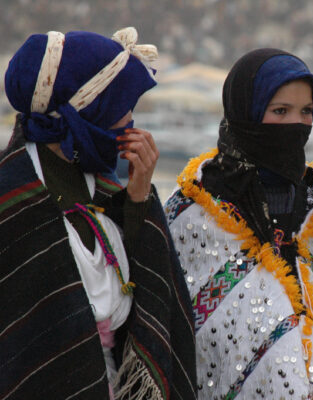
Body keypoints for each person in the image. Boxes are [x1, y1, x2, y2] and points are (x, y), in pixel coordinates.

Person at [0, 28, 195, 399]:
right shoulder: (11, 203)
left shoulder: (107, 189)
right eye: (118, 105)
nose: (129, 120)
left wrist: (138, 199)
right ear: (86, 110)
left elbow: (148, 298)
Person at [163, 48, 313, 399]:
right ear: (246, 112)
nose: (295, 124)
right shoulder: (194, 207)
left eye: (306, 112)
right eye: (280, 111)